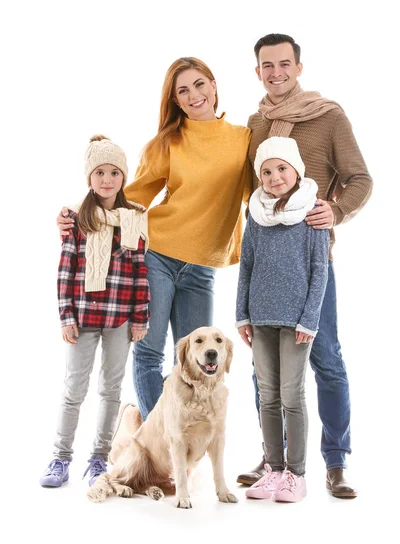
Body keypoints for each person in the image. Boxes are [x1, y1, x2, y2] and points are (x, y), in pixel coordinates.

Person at [57, 58, 251, 421]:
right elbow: (129, 198)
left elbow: (260, 193)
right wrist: (74, 210)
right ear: (175, 100)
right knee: (149, 354)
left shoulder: (242, 139)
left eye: (198, 84)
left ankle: (179, 445)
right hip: (157, 255)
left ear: (213, 84)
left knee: (196, 362)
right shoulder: (168, 142)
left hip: (202, 267)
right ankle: (157, 442)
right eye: (183, 90)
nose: (194, 95)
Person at [236, 33, 372, 498]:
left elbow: (360, 178)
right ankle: (275, 459)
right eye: (267, 66)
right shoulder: (256, 123)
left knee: (326, 358)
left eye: (284, 63)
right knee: (265, 372)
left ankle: (335, 461)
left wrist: (335, 210)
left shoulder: (328, 116)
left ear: (298, 66)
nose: (276, 72)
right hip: (265, 267)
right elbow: (246, 188)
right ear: (257, 71)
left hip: (312, 260)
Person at [40, 135, 150, 488]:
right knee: (74, 389)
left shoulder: (133, 218)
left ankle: (99, 458)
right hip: (83, 318)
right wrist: (66, 316)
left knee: (111, 390)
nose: (107, 180)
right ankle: (60, 457)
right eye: (99, 172)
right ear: (89, 177)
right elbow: (66, 268)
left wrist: (140, 316)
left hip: (119, 318)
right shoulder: (77, 218)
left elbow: (138, 271)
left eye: (114, 172)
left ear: (123, 177)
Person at [237, 136, 329, 502]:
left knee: (292, 395)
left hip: (296, 323)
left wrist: (309, 320)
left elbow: (319, 270)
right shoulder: (256, 213)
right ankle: (273, 471)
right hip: (260, 318)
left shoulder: (312, 213)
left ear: (296, 171)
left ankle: (297, 474)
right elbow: (246, 266)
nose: (274, 177)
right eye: (266, 171)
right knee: (267, 396)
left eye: (281, 169)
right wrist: (242, 314)